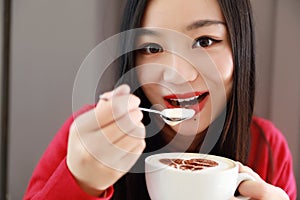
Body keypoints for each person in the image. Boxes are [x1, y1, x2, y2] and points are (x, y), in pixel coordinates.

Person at [24, 0, 297, 199]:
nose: (180, 75)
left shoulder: (268, 149)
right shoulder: (92, 137)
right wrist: (80, 183)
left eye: (204, 41)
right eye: (152, 48)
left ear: (240, 46)